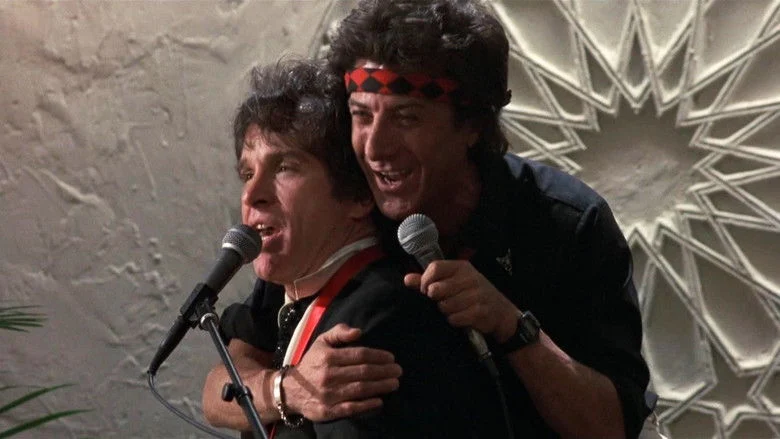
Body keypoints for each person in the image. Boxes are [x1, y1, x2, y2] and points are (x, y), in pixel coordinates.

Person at [323, 0, 653, 438]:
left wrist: (511, 327)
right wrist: (282, 389)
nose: (375, 148)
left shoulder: (567, 223)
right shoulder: (340, 210)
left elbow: (611, 428)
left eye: (406, 117)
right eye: (361, 115)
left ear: (473, 125)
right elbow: (237, 364)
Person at [201, 59, 509, 438]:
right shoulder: (293, 284)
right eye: (248, 173)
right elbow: (218, 390)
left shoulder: (377, 317)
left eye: (284, 168)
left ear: (357, 195)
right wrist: (286, 390)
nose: (252, 194)